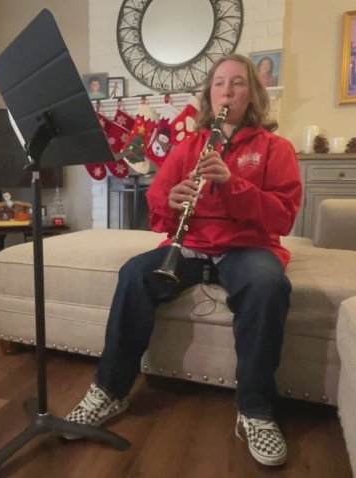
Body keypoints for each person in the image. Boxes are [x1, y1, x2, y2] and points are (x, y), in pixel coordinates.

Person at [63, 54, 302, 467]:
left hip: (248, 246)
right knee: (135, 274)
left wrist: (233, 184)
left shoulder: (274, 148)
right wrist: (171, 203)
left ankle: (256, 410)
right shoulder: (189, 145)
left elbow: (283, 215)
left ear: (254, 94)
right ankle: (109, 390)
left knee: (268, 286)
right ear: (210, 93)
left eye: (239, 83)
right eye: (220, 83)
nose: (228, 90)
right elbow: (158, 202)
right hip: (190, 244)